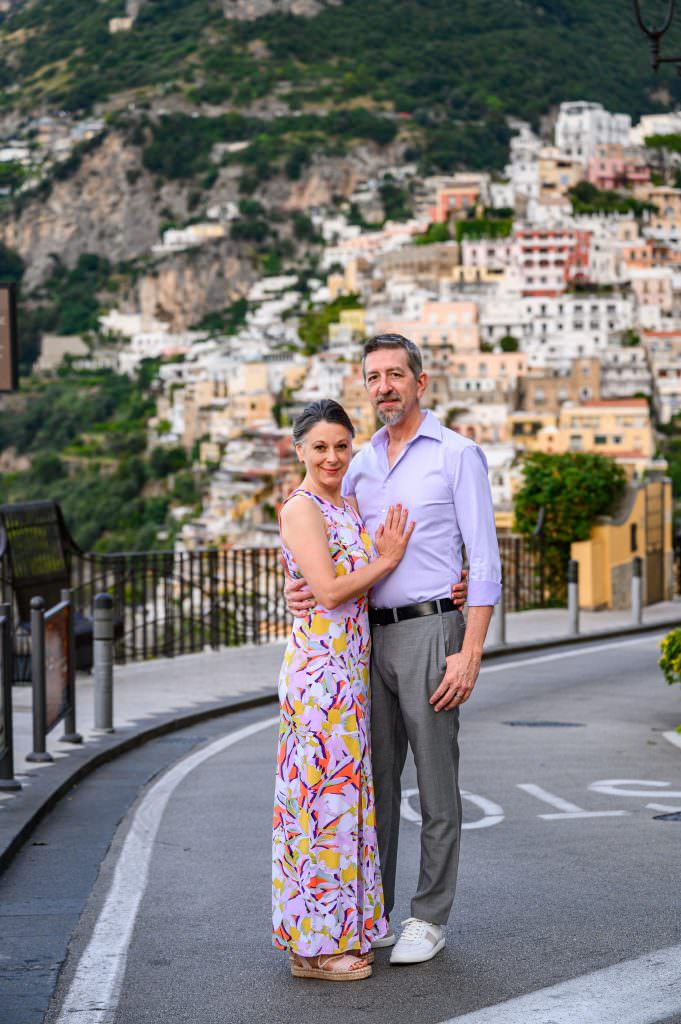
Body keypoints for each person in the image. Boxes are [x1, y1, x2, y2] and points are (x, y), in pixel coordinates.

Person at [286, 334, 501, 966]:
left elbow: (484, 562)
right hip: (361, 639)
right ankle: (371, 910)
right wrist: (298, 593)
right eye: (373, 376)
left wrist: (470, 649)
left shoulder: (458, 456)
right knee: (369, 785)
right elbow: (328, 544)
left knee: (436, 783)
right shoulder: (357, 462)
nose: (384, 386)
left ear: (420, 381)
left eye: (395, 375)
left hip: (433, 632)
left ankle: (429, 916)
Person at [272, 398, 416, 982]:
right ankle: (315, 948)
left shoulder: (343, 504)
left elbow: (322, 584)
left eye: (340, 445)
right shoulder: (302, 508)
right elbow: (330, 592)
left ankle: (332, 936)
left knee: (341, 808)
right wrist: (386, 559)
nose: (331, 456)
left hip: (346, 677)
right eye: (320, 446)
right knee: (317, 812)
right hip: (318, 679)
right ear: (300, 450)